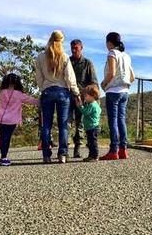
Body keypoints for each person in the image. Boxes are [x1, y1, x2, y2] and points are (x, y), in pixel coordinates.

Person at [36, 30, 80, 164]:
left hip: (47, 92)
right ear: (61, 41)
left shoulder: (40, 57)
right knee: (63, 125)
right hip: (63, 93)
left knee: (46, 125)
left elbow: (38, 78)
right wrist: (76, 93)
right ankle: (63, 155)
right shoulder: (64, 56)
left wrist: (43, 88)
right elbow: (70, 78)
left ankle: (46, 155)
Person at [100, 32, 135, 161]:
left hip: (113, 91)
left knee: (113, 121)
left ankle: (113, 150)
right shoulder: (126, 56)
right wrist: (125, 84)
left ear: (109, 42)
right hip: (125, 91)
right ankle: (123, 150)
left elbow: (112, 72)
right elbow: (133, 76)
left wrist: (104, 83)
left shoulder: (112, 53)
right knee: (121, 120)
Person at [0, 73, 38, 166]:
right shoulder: (19, 94)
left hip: (1, 119)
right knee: (7, 138)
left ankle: (3, 156)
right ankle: (4, 158)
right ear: (17, 82)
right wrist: (42, 101)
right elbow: (31, 100)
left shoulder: (2, 92)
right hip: (12, 120)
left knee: (3, 137)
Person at [69, 39, 98, 158]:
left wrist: (92, 99)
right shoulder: (67, 61)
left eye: (76, 47)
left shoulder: (87, 63)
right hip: (68, 97)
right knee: (66, 122)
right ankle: (64, 148)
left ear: (81, 48)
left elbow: (93, 82)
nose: (74, 50)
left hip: (83, 99)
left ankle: (77, 148)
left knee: (80, 124)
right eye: (72, 48)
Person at [77, 85, 102, 162]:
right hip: (92, 127)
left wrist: (80, 106)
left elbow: (85, 112)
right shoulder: (95, 104)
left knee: (93, 143)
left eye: (86, 96)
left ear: (93, 96)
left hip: (92, 128)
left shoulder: (92, 105)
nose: (84, 98)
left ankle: (95, 156)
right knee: (90, 143)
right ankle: (91, 156)